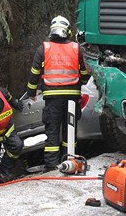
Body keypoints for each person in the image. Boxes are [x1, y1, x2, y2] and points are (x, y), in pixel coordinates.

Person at [26, 15, 90, 172]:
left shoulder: (44, 48)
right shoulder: (76, 48)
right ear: (67, 30)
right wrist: (79, 82)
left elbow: (34, 73)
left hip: (52, 98)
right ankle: (70, 162)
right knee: (70, 130)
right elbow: (85, 72)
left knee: (52, 131)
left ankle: (51, 166)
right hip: (72, 97)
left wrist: (31, 92)